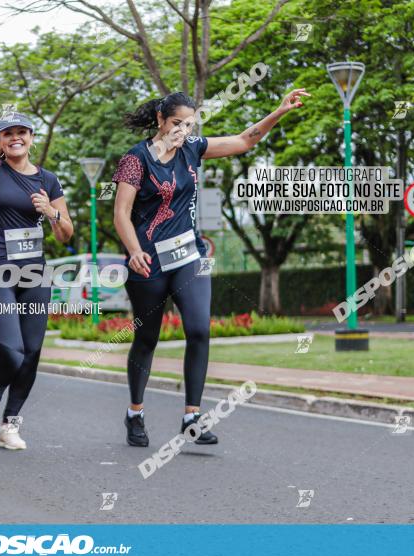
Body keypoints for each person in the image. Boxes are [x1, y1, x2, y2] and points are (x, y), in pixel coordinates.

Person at [112, 88, 310, 447]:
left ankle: (192, 417)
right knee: (147, 338)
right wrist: (134, 250)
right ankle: (135, 413)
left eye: (188, 124)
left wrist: (278, 110)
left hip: (189, 255)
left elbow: (243, 141)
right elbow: (121, 213)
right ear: (160, 120)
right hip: (148, 261)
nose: (182, 131)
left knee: (200, 329)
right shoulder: (135, 159)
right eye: (176, 123)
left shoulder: (192, 148)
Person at [0, 35, 74, 450]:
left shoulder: (48, 180)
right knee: (10, 351)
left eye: (22, 133)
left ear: (31, 137)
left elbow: (66, 235)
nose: (15, 138)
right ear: (1, 139)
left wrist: (51, 213)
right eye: (8, 133)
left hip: (35, 273)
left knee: (32, 353)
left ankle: (11, 424)